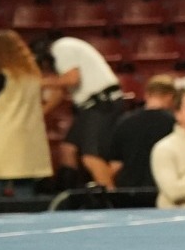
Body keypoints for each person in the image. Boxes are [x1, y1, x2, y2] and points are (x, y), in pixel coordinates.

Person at [0, 32, 52, 198]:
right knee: (24, 187)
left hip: (2, 139)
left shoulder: (2, 78)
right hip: (28, 140)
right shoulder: (33, 77)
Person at [42, 35, 124, 189]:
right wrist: (41, 113)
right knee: (68, 149)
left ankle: (112, 202)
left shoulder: (61, 46)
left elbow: (73, 79)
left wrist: (40, 82)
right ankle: (70, 198)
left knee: (91, 157)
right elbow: (59, 90)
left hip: (101, 103)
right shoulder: (66, 51)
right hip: (91, 106)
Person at [105, 75, 178, 192]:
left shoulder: (124, 122)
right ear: (170, 97)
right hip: (162, 191)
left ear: (147, 95)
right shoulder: (175, 124)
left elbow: (115, 166)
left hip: (129, 193)